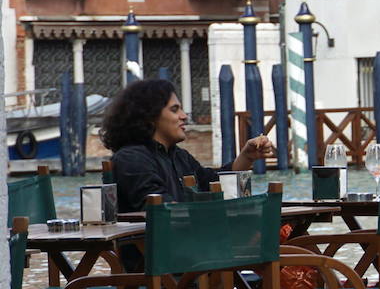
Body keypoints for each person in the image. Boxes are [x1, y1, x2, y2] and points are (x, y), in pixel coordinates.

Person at [102, 78, 274, 214]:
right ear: (149, 116)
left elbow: (214, 182)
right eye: (175, 110)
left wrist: (247, 156)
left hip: (194, 244)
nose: (184, 116)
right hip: (159, 254)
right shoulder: (131, 158)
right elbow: (161, 210)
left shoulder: (179, 156)